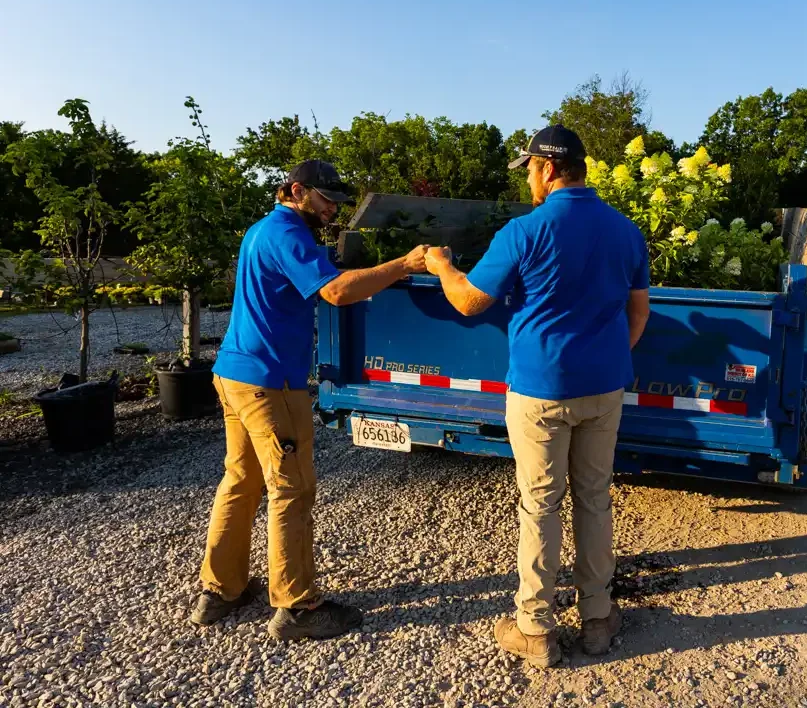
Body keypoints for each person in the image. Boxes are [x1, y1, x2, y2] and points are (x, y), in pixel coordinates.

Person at [424, 125, 651, 667]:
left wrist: (442, 267)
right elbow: (637, 313)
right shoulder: (626, 231)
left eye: (529, 166)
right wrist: (604, 359)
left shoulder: (523, 231)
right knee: (594, 498)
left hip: (540, 393)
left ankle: (535, 627)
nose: (528, 175)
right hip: (605, 389)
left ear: (549, 168)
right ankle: (597, 617)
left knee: (540, 505)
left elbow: (470, 303)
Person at [191, 159, 428, 641]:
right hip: (270, 383)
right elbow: (338, 292)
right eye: (326, 199)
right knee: (291, 490)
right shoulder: (289, 236)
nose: (333, 209)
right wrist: (405, 264)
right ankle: (298, 607)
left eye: (339, 201)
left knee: (241, 481)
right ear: (296, 190)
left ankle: (221, 590)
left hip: (234, 374)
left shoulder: (261, 230)